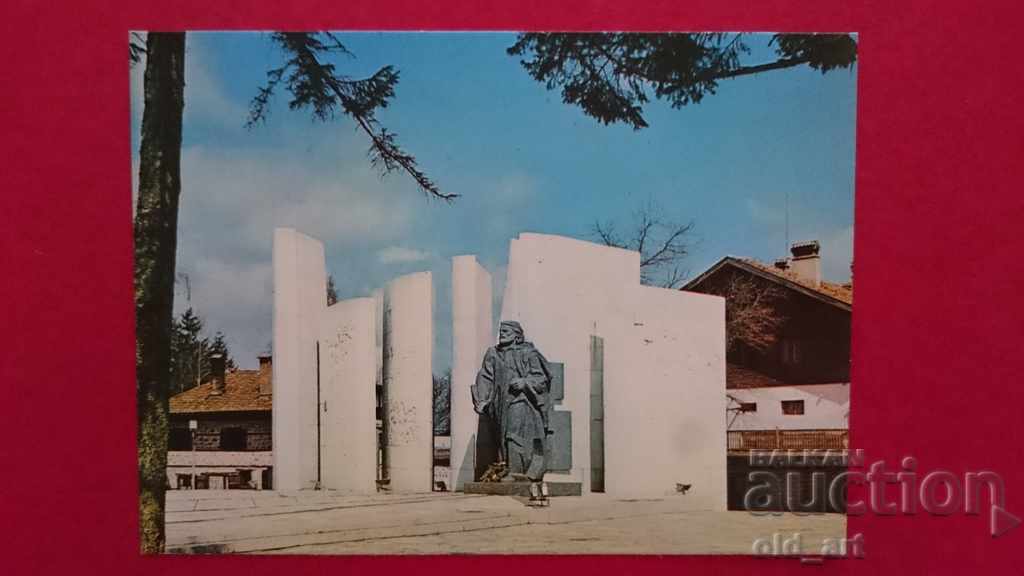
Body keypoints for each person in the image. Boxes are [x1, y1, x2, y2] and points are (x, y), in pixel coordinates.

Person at [472, 321, 551, 498]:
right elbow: (485, 376)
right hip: (500, 403)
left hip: (521, 400)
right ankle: (506, 466)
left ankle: (515, 472)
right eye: (500, 331)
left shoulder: (529, 353)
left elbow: (541, 378)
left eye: (506, 331)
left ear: (517, 335)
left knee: (512, 434)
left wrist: (525, 382)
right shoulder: (493, 353)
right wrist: (483, 400)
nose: (502, 334)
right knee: (502, 436)